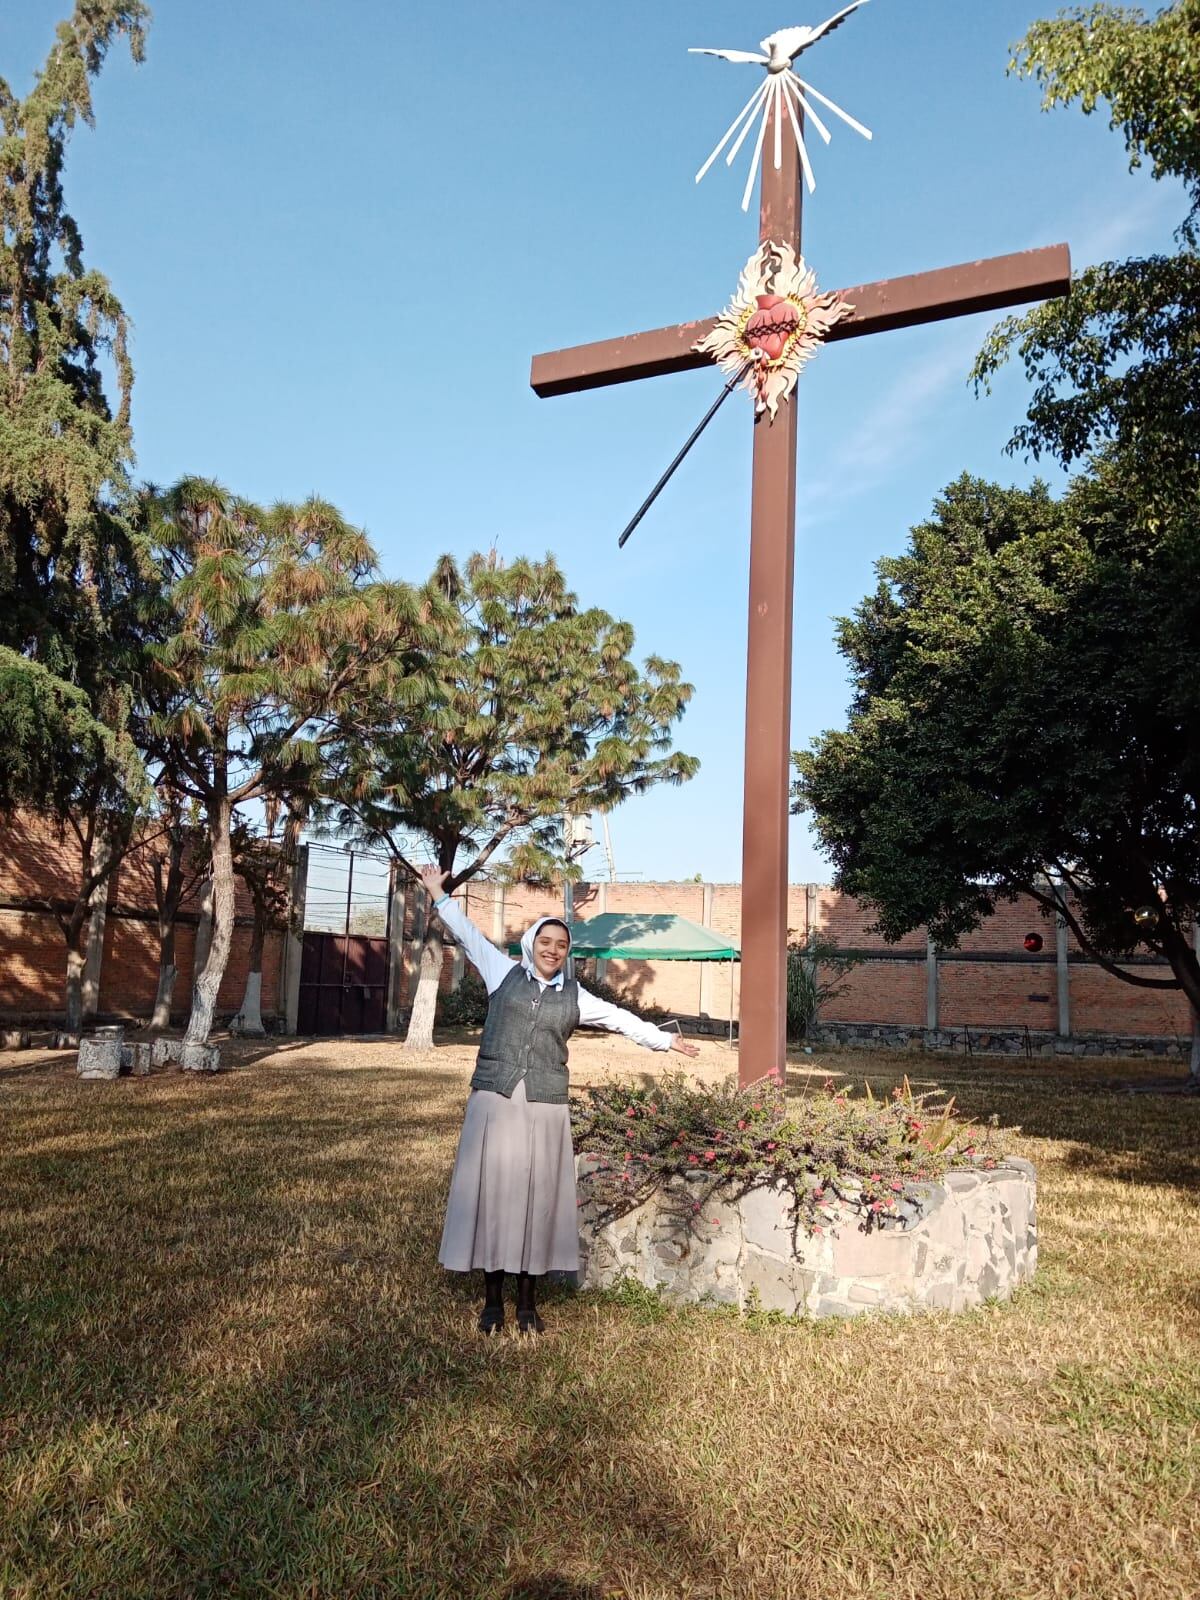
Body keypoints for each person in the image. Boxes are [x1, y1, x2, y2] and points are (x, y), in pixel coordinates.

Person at [418, 866, 700, 1336]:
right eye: (546, 941)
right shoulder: (502, 973)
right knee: (495, 1194)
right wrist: (438, 894)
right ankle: (493, 1300)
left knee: (537, 1198)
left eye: (561, 945)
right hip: (495, 1100)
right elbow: (467, 934)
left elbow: (619, 1018)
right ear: (531, 943)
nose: (553, 949)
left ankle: (527, 1302)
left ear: (567, 953)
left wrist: (665, 1042)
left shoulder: (575, 995)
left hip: (545, 1105)